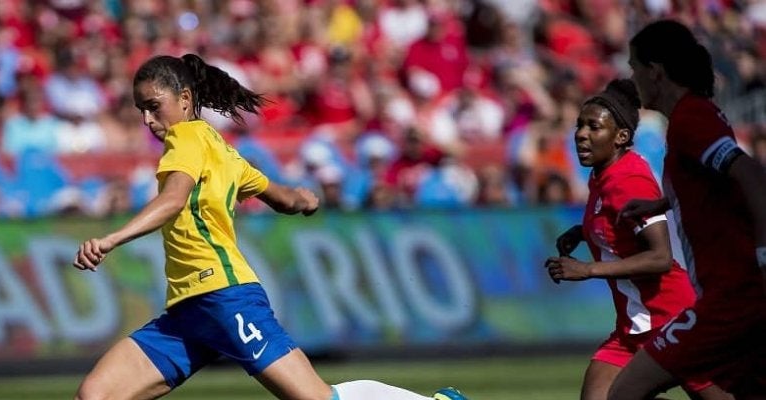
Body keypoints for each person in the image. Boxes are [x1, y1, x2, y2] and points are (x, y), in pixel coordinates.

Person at [71, 54, 468, 400]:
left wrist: (111, 239)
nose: (147, 119)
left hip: (223, 296)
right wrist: (304, 199)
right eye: (141, 109)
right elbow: (281, 196)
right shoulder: (222, 151)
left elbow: (174, 199)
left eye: (154, 106)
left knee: (315, 397)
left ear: (185, 99)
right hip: (188, 310)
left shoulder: (186, 138)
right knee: (97, 395)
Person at [609, 20, 766, 399]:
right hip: (739, 295)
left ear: (655, 72)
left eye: (634, 67)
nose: (632, 78)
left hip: (732, 298)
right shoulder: (697, 115)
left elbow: (750, 173)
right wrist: (664, 202)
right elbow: (716, 182)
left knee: (624, 392)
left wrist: (765, 253)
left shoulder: (690, 119)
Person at [545, 79, 703, 400]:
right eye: (580, 125)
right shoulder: (602, 174)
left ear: (621, 137)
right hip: (633, 329)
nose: (581, 134)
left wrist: (587, 269)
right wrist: (583, 232)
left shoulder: (629, 179)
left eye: (594, 127)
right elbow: (615, 220)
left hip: (674, 322)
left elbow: (660, 257)